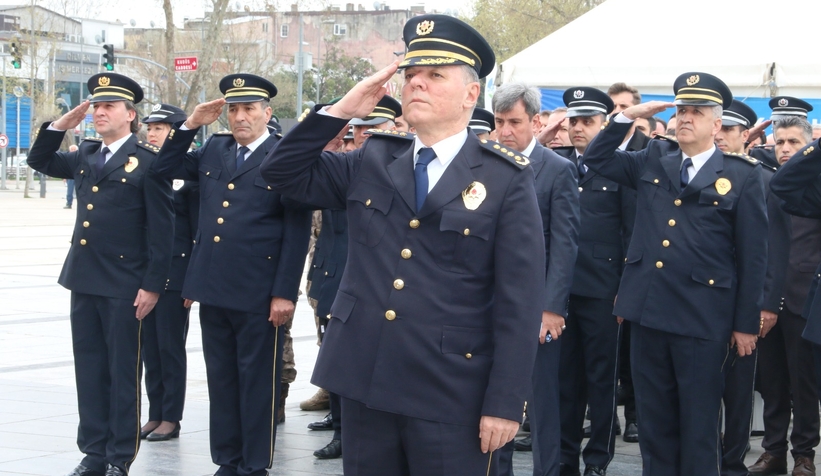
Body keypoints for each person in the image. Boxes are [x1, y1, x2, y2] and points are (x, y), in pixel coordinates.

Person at [260, 13, 545, 475]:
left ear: (472, 94)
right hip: (366, 381)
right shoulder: (373, 158)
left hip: (451, 392)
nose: (418, 84)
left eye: (435, 75)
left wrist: (506, 402)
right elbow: (279, 173)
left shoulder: (504, 179)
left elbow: (520, 299)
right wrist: (340, 111)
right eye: (411, 74)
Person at [583, 72, 768, 475]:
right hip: (648, 313)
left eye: (696, 112)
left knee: (698, 426)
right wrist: (625, 117)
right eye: (681, 110)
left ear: (717, 125)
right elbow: (596, 161)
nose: (685, 118)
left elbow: (754, 257)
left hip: (703, 319)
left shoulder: (741, 175)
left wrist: (745, 324)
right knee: (655, 424)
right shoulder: (653, 158)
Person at [151, 73, 312, 476]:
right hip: (213, 286)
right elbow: (162, 168)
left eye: (250, 109)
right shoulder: (215, 149)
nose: (241, 117)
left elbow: (296, 230)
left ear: (266, 112)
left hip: (260, 292)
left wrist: (284, 293)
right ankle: (228, 458)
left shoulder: (283, 153)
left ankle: (254, 463)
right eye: (234, 109)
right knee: (221, 380)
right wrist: (190, 125)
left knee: (257, 382)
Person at [27, 73, 174, 476]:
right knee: (90, 370)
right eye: (95, 105)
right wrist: (60, 126)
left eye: (109, 106)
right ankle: (93, 451)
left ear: (131, 115)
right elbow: (38, 160)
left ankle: (118, 456)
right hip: (85, 279)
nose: (99, 112)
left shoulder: (149, 163)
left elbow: (164, 232)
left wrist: (152, 285)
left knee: (123, 371)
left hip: (127, 285)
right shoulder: (86, 153)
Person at [491, 82, 580, 476]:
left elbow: (565, 244)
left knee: (542, 400)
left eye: (514, 122)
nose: (506, 131)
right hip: (491, 302)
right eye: (499, 122)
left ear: (536, 121)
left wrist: (551, 308)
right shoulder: (487, 162)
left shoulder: (558, 170)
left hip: (536, 306)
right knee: (496, 399)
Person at [551, 86, 635, 476]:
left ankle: (597, 459)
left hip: (603, 291)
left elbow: (631, 234)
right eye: (574, 121)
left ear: (605, 125)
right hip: (563, 292)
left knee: (601, 380)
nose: (579, 129)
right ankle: (566, 455)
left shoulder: (621, 167)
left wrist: (624, 290)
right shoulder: (558, 164)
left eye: (589, 122)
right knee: (566, 382)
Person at [715, 100, 790, 476]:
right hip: (708, 301)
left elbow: (774, 250)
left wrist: (767, 304)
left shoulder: (763, 179)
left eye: (728, 129)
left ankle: (732, 464)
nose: (720, 135)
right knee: (705, 390)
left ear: (745, 135)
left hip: (747, 303)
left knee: (740, 390)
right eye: (719, 127)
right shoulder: (699, 173)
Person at [748, 116, 820, 476]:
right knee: (771, 379)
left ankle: (804, 454)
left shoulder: (815, 183)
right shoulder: (763, 181)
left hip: (806, 298)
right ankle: (772, 451)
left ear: (810, 144)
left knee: (804, 380)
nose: (786, 149)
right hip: (766, 297)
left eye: (794, 142)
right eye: (780, 143)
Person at [137, 104, 198, 443]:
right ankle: (155, 412)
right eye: (150, 128)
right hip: (147, 272)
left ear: (176, 133)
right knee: (150, 348)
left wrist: (192, 279)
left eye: (160, 128)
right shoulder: (146, 165)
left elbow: (198, 229)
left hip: (177, 273)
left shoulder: (191, 172)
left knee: (170, 347)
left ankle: (171, 418)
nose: (152, 133)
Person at [64, 144, 78, 208]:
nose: (73, 150)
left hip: (78, 176)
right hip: (70, 176)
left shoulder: (80, 157)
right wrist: (64, 177)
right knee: (69, 191)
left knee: (80, 191)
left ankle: (81, 205)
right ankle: (69, 203)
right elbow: (65, 167)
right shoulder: (67, 157)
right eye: (72, 149)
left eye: (74, 149)